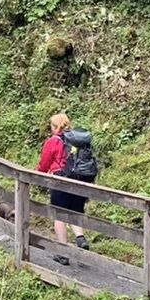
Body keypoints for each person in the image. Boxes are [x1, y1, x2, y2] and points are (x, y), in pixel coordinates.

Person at [37, 111, 94, 263]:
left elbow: (44, 164)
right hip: (80, 180)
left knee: (59, 215)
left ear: (54, 126)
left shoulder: (53, 142)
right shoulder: (77, 141)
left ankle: (63, 253)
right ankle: (80, 237)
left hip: (60, 180)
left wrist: (38, 175)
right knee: (76, 211)